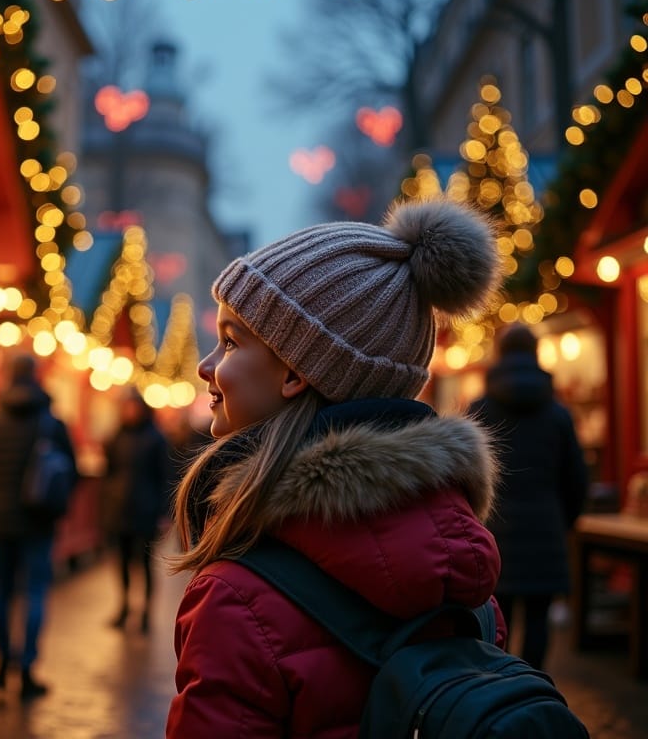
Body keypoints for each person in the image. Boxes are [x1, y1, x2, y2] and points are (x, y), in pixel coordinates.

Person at [165, 197, 507, 737]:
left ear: (297, 373)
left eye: (231, 342)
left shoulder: (237, 599)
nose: (207, 366)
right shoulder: (467, 582)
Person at [467, 323, 589, 670]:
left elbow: (465, 474)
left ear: (500, 355)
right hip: (545, 527)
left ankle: (498, 694)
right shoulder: (558, 414)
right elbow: (577, 477)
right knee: (539, 619)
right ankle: (533, 687)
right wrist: (563, 520)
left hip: (495, 530)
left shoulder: (481, 410)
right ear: (536, 355)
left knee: (495, 620)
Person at [0, 353, 77, 700]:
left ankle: (1, 661)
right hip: (39, 522)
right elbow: (69, 472)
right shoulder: (52, 423)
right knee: (35, 593)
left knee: (0, 592)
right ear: (36, 377)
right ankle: (26, 667)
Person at [101, 387, 172, 633]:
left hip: (146, 510)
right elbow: (108, 473)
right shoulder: (116, 437)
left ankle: (146, 613)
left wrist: (165, 513)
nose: (129, 411)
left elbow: (165, 477)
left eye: (133, 407)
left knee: (144, 563)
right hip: (118, 510)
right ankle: (124, 606)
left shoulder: (156, 438)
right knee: (120, 562)